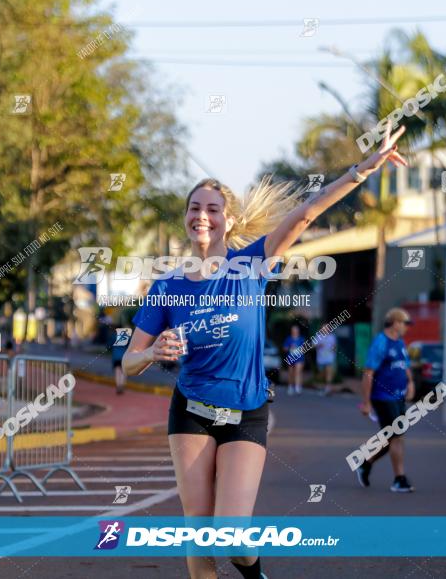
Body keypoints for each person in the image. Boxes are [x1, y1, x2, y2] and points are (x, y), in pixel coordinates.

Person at [122, 126, 406, 579]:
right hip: (191, 411)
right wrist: (153, 350)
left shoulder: (250, 263)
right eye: (195, 208)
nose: (203, 216)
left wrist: (361, 171)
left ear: (228, 221)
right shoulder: (166, 287)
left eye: (213, 209)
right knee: (199, 532)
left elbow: (306, 214)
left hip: (247, 410)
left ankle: (254, 574)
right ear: (186, 217)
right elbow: (128, 364)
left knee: (232, 535)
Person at [357, 307, 416, 493]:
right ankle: (399, 479)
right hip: (383, 396)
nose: (407, 327)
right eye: (405, 323)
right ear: (395, 323)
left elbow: (405, 365)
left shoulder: (400, 342)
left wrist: (411, 382)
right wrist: (366, 402)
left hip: (399, 396)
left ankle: (366, 462)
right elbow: (368, 373)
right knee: (395, 436)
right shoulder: (381, 343)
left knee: (393, 437)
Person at [282, 325, 306, 396]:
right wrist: (289, 347)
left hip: (299, 358)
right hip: (291, 358)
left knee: (298, 372)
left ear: (298, 331)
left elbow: (304, 348)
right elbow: (284, 348)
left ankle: (297, 387)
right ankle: (290, 386)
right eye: (293, 330)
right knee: (291, 372)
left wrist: (300, 348)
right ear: (291, 331)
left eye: (296, 330)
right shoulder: (288, 339)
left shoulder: (301, 339)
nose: (295, 331)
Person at [315, 326, 338, 396]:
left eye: (327, 328)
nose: (325, 329)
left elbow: (335, 346)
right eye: (324, 328)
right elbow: (313, 345)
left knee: (329, 371)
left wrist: (333, 349)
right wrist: (318, 345)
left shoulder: (332, 337)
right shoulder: (318, 336)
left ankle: (328, 388)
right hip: (321, 358)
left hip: (330, 357)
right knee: (322, 373)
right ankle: (323, 387)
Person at [110, 326, 129, 395]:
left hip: (116, 356)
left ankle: (118, 386)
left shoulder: (114, 336)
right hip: (124, 356)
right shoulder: (127, 337)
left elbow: (109, 345)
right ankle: (122, 385)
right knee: (123, 372)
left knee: (117, 372)